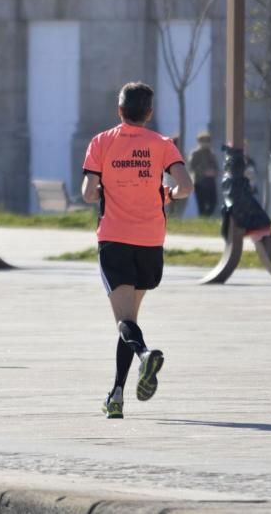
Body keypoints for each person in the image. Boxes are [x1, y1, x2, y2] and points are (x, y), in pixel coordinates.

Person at [81, 82, 193, 419]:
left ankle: (146, 356)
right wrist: (166, 194)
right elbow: (185, 186)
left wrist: (107, 185)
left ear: (119, 111)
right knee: (129, 318)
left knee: (125, 322)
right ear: (149, 113)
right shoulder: (162, 144)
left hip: (114, 240)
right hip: (150, 242)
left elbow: (88, 194)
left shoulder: (101, 142)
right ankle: (116, 395)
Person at [187, 131, 219, 216]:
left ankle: (206, 217)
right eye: (203, 141)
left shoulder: (212, 154)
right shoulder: (195, 153)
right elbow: (191, 167)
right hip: (199, 182)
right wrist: (204, 172)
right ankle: (203, 219)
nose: (205, 143)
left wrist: (214, 172)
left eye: (207, 141)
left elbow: (217, 167)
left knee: (213, 202)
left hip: (210, 182)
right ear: (199, 142)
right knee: (202, 204)